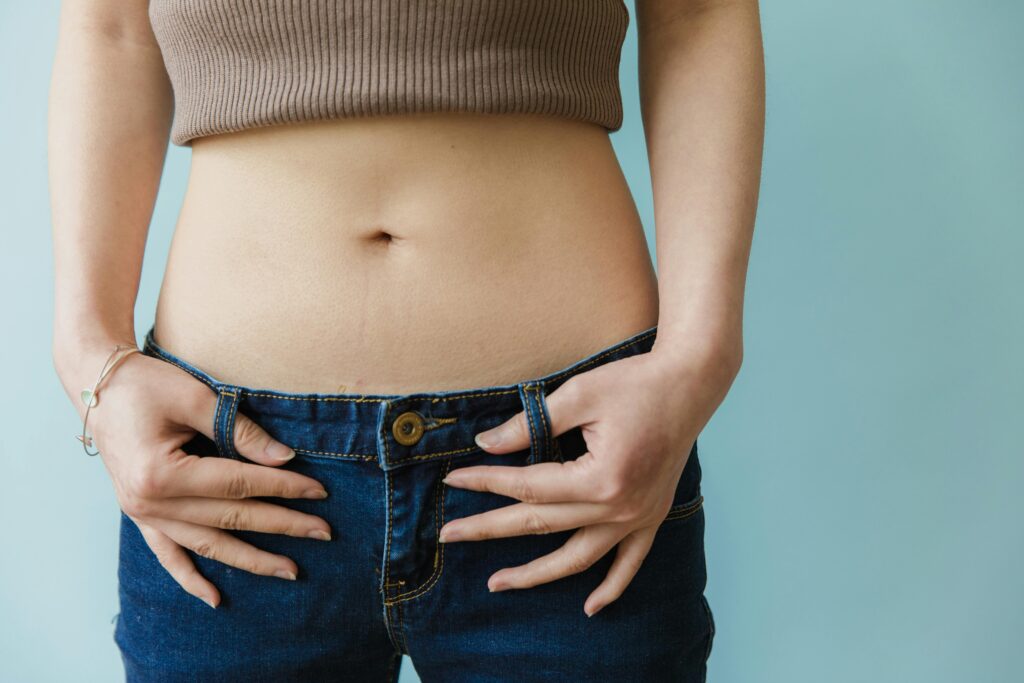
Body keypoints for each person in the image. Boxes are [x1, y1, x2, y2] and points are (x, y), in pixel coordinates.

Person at [49, 1, 764, 681]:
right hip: (227, 468)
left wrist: (698, 360)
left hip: (568, 457)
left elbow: (699, 13)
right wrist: (89, 357)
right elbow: (111, 30)